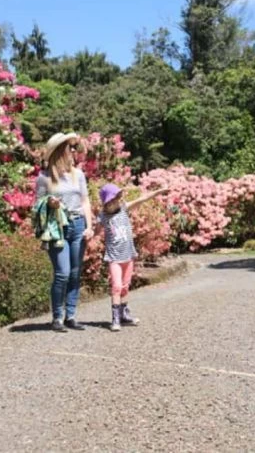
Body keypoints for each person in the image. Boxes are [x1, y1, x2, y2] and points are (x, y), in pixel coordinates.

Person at [35, 133, 94, 332]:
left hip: (78, 225)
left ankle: (71, 315)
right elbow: (37, 206)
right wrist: (50, 203)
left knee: (76, 273)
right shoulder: (44, 178)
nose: (73, 152)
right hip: (57, 228)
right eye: (70, 148)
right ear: (61, 152)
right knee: (63, 273)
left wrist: (89, 226)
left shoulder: (78, 175)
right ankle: (57, 317)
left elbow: (85, 201)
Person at [97, 183, 169, 331]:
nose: (116, 203)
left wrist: (158, 192)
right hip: (114, 258)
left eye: (117, 199)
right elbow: (95, 231)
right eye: (112, 201)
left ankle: (124, 314)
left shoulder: (123, 209)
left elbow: (143, 199)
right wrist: (87, 233)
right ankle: (115, 319)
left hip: (128, 256)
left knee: (125, 287)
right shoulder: (103, 217)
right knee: (116, 287)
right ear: (106, 203)